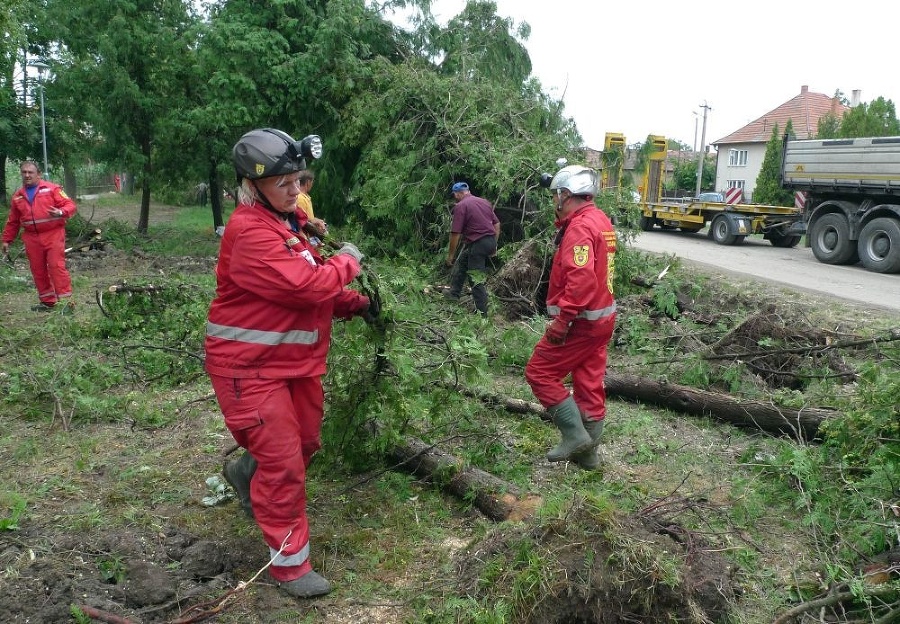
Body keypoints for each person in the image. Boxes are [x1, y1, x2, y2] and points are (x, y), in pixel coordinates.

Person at [205, 128, 371, 599]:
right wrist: (348, 260)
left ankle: (245, 472)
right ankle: (290, 567)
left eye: (297, 180)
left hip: (294, 365)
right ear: (252, 185)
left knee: (304, 444)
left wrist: (356, 304)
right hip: (249, 369)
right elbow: (306, 286)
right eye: (284, 184)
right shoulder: (250, 232)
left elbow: (317, 287)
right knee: (282, 465)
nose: (296, 191)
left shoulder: (286, 224)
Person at [524, 165, 617, 469]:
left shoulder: (578, 227)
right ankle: (588, 458)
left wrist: (563, 321)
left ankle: (575, 436)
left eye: (555, 195)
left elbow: (581, 280)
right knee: (589, 384)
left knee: (539, 372)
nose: (554, 201)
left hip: (581, 322)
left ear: (566, 194)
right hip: (602, 320)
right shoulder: (600, 219)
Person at [2, 160, 78, 311]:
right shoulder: (18, 196)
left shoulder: (52, 189)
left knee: (56, 267)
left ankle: (67, 304)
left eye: (30, 172)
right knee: (38, 270)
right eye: (24, 172)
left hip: (53, 234)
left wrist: (60, 212)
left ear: (39, 174)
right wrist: (6, 240)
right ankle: (48, 302)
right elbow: (13, 221)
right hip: (31, 238)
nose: (27, 175)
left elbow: (70, 205)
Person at [444, 182, 500, 316]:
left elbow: (455, 233)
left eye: (455, 195)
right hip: (490, 240)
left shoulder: (461, 206)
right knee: (463, 260)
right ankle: (454, 293)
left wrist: (450, 255)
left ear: (457, 194)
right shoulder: (484, 202)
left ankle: (482, 314)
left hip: (479, 243)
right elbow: (497, 223)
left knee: (475, 277)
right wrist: (493, 245)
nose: (455, 198)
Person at [295, 169, 327, 247]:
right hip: (307, 236)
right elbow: (302, 221)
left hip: (312, 234)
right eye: (312, 182)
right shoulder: (300, 198)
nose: (312, 184)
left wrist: (318, 221)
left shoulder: (306, 197)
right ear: (308, 182)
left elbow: (309, 217)